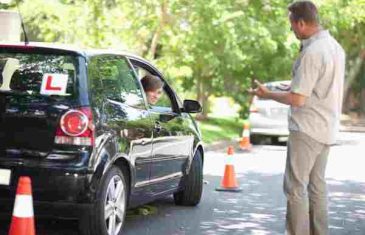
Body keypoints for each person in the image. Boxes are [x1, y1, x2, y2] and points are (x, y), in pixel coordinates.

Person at [250, 1, 345, 235]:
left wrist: (267, 94)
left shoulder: (313, 51)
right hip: (326, 128)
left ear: (301, 23)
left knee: (295, 188)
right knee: (317, 187)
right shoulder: (334, 47)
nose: (291, 29)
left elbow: (298, 99)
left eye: (291, 24)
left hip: (307, 129)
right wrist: (291, 85)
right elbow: (318, 86)